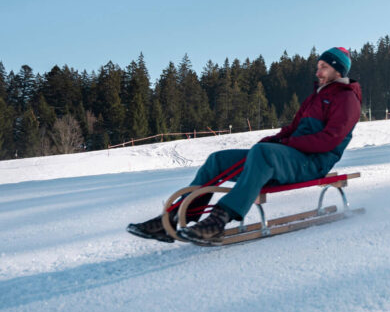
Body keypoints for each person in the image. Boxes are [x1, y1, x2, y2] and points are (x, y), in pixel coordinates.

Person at [128, 47, 362, 242]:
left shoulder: (347, 99)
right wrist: (271, 141)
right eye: (318, 65)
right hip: (289, 158)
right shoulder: (317, 96)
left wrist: (284, 145)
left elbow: (329, 140)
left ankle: (220, 218)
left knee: (263, 154)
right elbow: (292, 129)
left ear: (337, 70)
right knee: (218, 160)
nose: (317, 71)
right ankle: (175, 218)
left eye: (324, 67)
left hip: (312, 163)